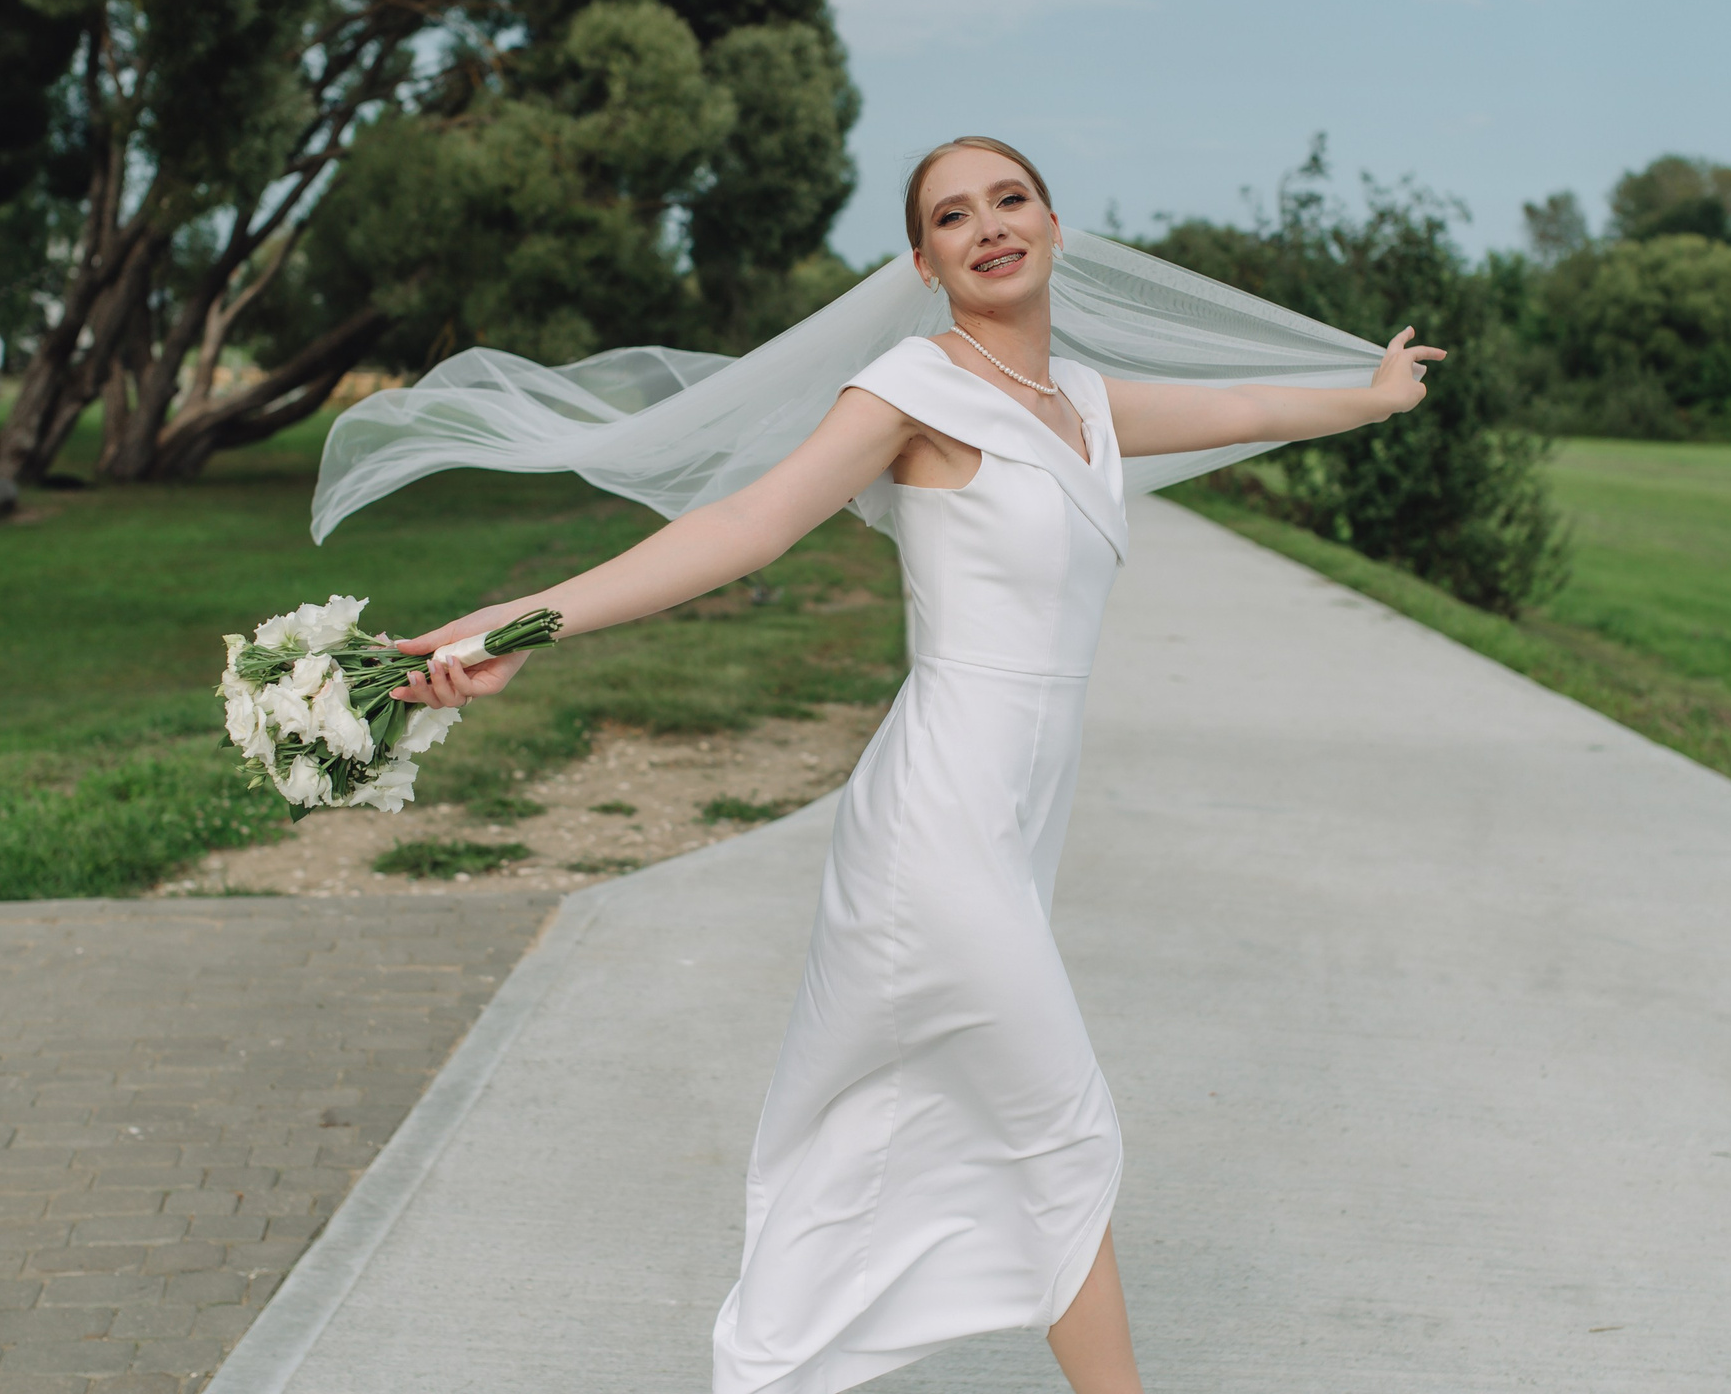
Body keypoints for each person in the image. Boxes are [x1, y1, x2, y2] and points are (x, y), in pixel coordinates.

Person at [382, 137, 1443, 1394]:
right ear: (927, 264)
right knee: (1059, 1127)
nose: (987, 226)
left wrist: (1370, 398)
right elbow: (739, 526)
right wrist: (511, 632)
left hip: (1016, 822)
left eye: (1009, 200)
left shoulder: (1089, 405)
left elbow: (1246, 410)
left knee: (899, 1133)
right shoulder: (911, 391)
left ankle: (769, 1363)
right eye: (953, 216)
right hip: (934, 824)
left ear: (1054, 224)